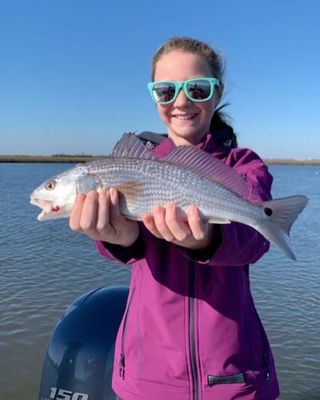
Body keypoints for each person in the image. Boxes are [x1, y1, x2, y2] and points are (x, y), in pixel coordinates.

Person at [69, 36, 280, 400]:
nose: (181, 102)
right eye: (166, 91)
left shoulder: (243, 165)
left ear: (217, 92)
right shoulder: (134, 164)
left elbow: (256, 238)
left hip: (235, 378)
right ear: (154, 96)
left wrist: (207, 240)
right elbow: (129, 246)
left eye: (197, 88)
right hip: (147, 377)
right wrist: (117, 239)